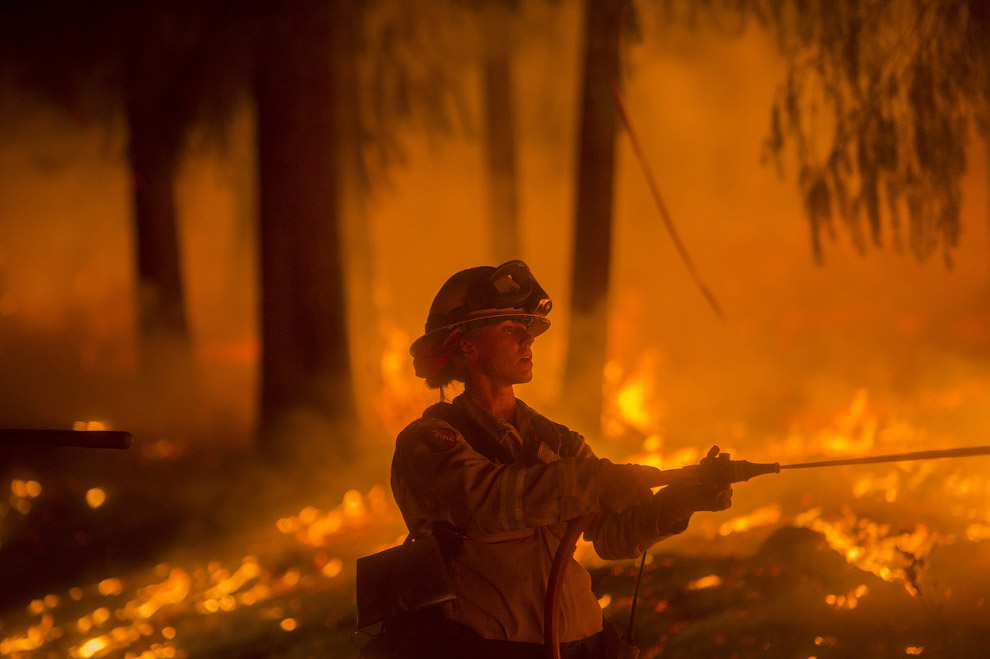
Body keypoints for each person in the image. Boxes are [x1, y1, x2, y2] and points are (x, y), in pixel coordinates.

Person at [381, 260, 731, 658]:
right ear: (467, 344)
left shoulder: (557, 440)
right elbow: (486, 503)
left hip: (585, 646)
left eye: (527, 328)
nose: (527, 339)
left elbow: (612, 536)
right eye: (510, 329)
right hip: (495, 649)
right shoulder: (428, 441)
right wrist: (594, 482)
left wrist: (680, 502)